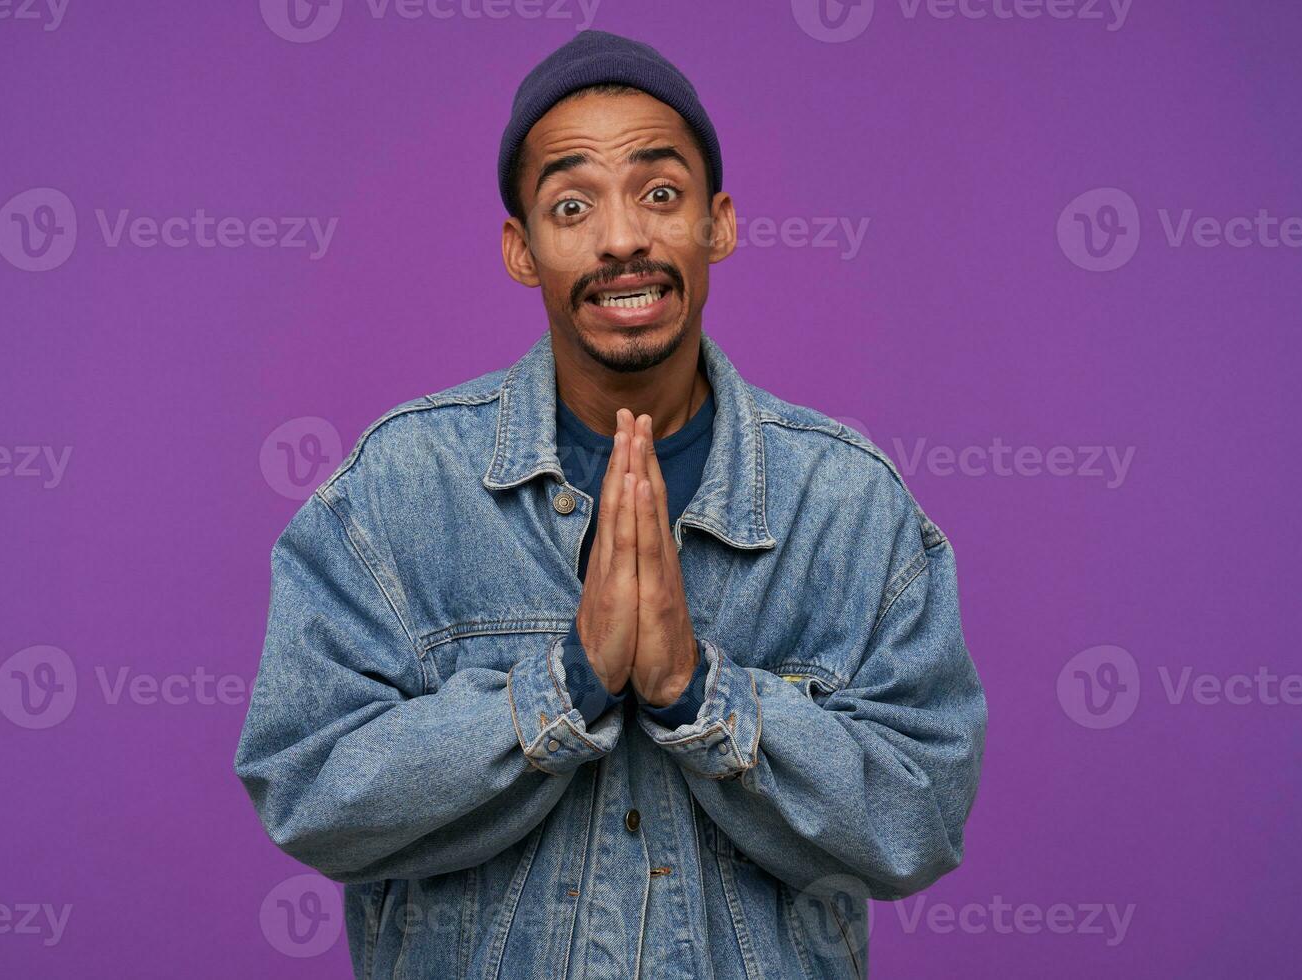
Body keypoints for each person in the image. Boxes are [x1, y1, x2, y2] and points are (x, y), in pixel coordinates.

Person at [234, 28, 987, 979]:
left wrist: (701, 693)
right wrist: (568, 683)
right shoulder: (396, 487)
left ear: (719, 223)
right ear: (522, 248)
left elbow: (920, 813)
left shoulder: (847, 502)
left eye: (660, 194)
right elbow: (307, 787)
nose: (622, 236)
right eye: (572, 203)